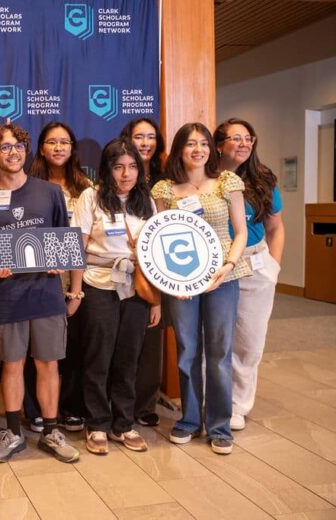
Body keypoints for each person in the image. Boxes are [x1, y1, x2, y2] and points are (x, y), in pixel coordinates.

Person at [0, 123, 80, 464]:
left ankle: (50, 431)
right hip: (7, 295)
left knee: (48, 364)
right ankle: (14, 432)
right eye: (4, 147)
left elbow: (66, 240)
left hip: (46, 293)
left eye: (18, 145)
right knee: (13, 364)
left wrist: (60, 264)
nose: (13, 151)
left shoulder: (49, 192)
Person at [152, 122, 249, 455]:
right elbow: (160, 238)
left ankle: (219, 425)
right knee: (187, 349)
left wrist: (228, 266)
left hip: (223, 278)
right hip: (181, 282)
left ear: (212, 148)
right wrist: (170, 278)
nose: (198, 149)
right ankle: (190, 419)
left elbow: (240, 232)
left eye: (203, 143)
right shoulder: (165, 189)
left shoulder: (226, 182)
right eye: (190, 144)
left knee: (220, 352)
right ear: (179, 149)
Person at [68, 138, 159, 455]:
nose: (126, 174)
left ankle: (124, 424)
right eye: (119, 167)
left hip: (135, 286)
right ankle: (97, 424)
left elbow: (154, 252)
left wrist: (155, 300)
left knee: (128, 357)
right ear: (107, 169)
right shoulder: (90, 197)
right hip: (98, 283)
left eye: (132, 167)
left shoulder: (145, 201)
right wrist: (76, 290)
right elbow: (76, 247)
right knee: (98, 357)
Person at [214, 118, 284, 431]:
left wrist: (274, 268)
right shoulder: (206, 180)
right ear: (219, 144)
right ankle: (212, 401)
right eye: (236, 138)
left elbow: (275, 227)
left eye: (248, 139)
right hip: (217, 268)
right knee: (215, 340)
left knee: (249, 342)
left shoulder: (263, 180)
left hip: (255, 267)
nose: (244, 144)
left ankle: (238, 406)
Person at [28, 121, 91, 433]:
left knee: (72, 347)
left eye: (64, 142)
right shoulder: (29, 184)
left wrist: (76, 290)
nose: (58, 148)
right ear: (41, 147)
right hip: (39, 276)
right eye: (52, 142)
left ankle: (68, 407)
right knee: (36, 349)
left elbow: (84, 236)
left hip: (75, 276)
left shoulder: (85, 187)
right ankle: (36, 409)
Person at [120, 117, 167, 428]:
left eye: (151, 137)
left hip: (159, 265)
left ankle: (146, 401)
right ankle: (120, 401)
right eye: (139, 137)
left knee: (152, 337)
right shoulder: (116, 177)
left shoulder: (165, 180)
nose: (145, 143)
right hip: (123, 267)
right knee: (124, 340)